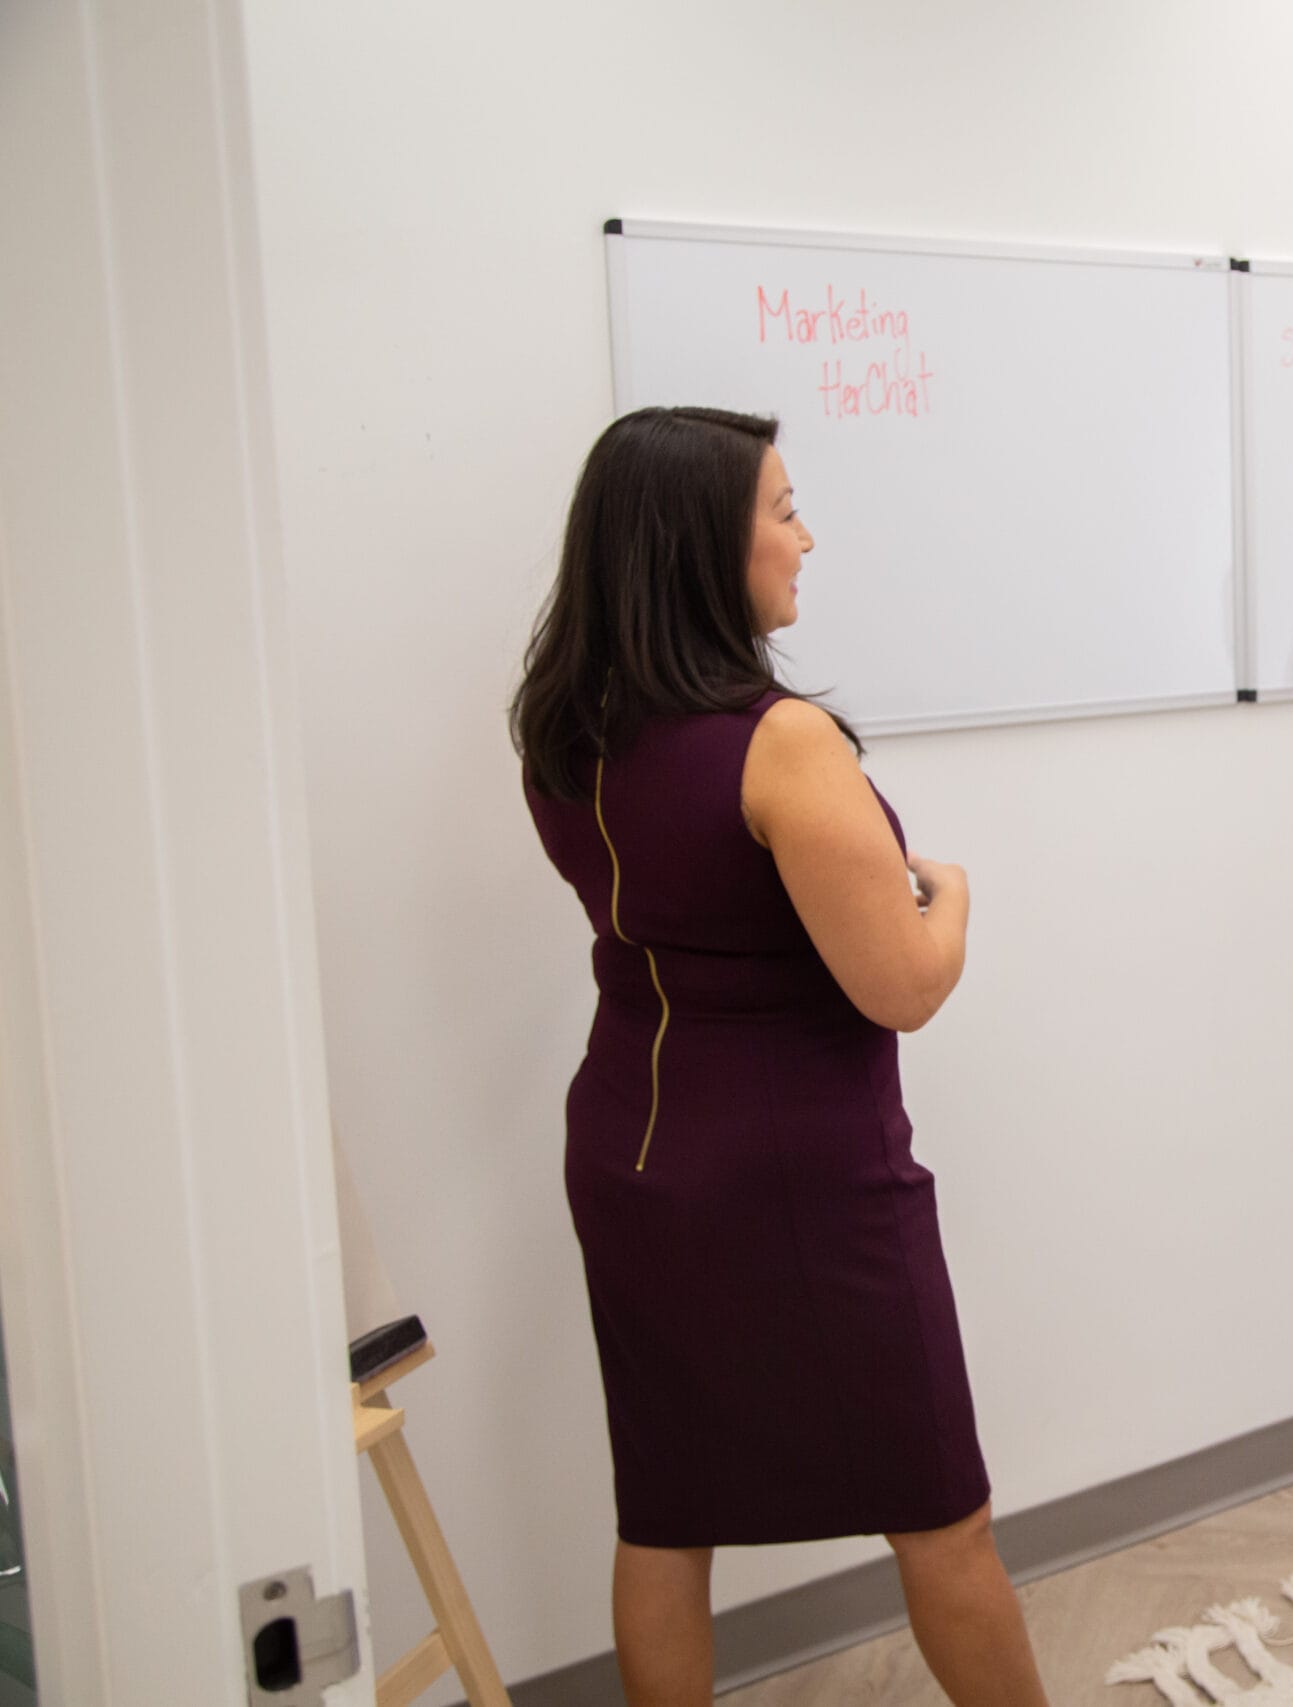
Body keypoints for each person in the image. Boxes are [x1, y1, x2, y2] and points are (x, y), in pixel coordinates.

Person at [512, 407, 1048, 1707]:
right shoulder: (782, 740)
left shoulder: (564, 723)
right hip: (799, 1172)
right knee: (943, 1512)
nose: (807, 535)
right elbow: (904, 983)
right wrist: (955, 891)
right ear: (707, 543)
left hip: (632, 1148)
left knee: (665, 1512)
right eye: (783, 508)